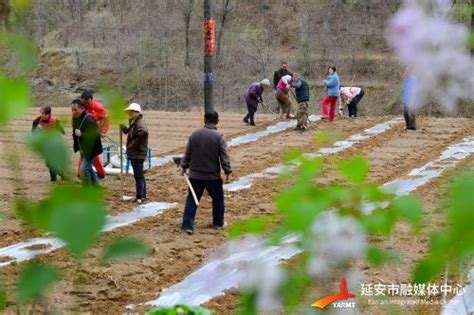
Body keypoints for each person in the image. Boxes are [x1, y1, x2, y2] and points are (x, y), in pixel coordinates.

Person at [180, 111, 232, 235]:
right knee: (218, 199)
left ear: (204, 120)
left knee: (192, 199)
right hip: (212, 177)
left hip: (194, 175)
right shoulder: (219, 137)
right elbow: (224, 157)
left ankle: (187, 225)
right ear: (217, 121)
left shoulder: (194, 135)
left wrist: (183, 166)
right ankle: (218, 223)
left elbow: (187, 153)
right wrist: (228, 171)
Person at [120, 103, 149, 204]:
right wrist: (122, 127)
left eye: (131, 111)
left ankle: (140, 197)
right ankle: (142, 196)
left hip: (138, 152)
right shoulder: (134, 121)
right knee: (139, 175)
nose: (129, 113)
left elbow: (144, 133)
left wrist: (133, 145)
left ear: (136, 112)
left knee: (138, 176)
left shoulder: (139, 122)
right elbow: (129, 132)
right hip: (136, 152)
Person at [77, 90, 109, 179]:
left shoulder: (99, 107)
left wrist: (103, 131)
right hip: (83, 134)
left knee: (91, 154)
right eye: (84, 103)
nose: (86, 105)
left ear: (91, 99)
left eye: (87, 103)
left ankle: (100, 173)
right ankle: (84, 174)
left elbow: (107, 119)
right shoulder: (80, 106)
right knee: (84, 153)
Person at [71, 99, 103, 186]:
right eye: (72, 110)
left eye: (75, 110)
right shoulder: (75, 118)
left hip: (92, 149)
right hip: (83, 148)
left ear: (82, 109)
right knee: (88, 168)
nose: (73, 112)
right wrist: (76, 145)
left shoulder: (89, 120)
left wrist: (82, 134)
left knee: (84, 169)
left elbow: (95, 136)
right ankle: (96, 186)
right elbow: (75, 132)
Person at [31, 105, 66, 182]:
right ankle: (62, 174)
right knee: (49, 164)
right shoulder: (36, 121)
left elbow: (60, 129)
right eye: (41, 113)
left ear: (49, 114)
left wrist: (61, 132)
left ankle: (53, 180)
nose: (43, 115)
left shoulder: (55, 120)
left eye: (45, 114)